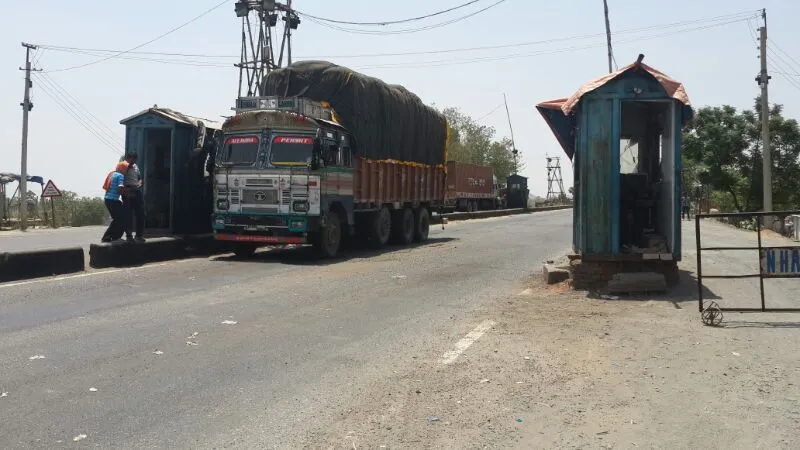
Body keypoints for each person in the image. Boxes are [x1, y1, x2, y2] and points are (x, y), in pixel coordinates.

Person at [102, 161, 129, 243]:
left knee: (117, 219)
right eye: (126, 169)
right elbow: (120, 187)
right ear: (123, 169)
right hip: (113, 200)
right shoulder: (120, 176)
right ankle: (114, 237)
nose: (127, 172)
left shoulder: (112, 174)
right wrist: (127, 192)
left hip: (107, 199)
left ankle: (109, 237)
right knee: (122, 219)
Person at [122, 152, 146, 242]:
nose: (133, 160)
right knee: (128, 214)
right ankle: (129, 235)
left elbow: (139, 178)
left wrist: (140, 183)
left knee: (141, 213)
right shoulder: (123, 166)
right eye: (131, 158)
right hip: (127, 190)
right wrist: (125, 190)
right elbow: (119, 178)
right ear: (127, 158)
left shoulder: (136, 166)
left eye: (135, 158)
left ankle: (139, 235)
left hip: (136, 190)